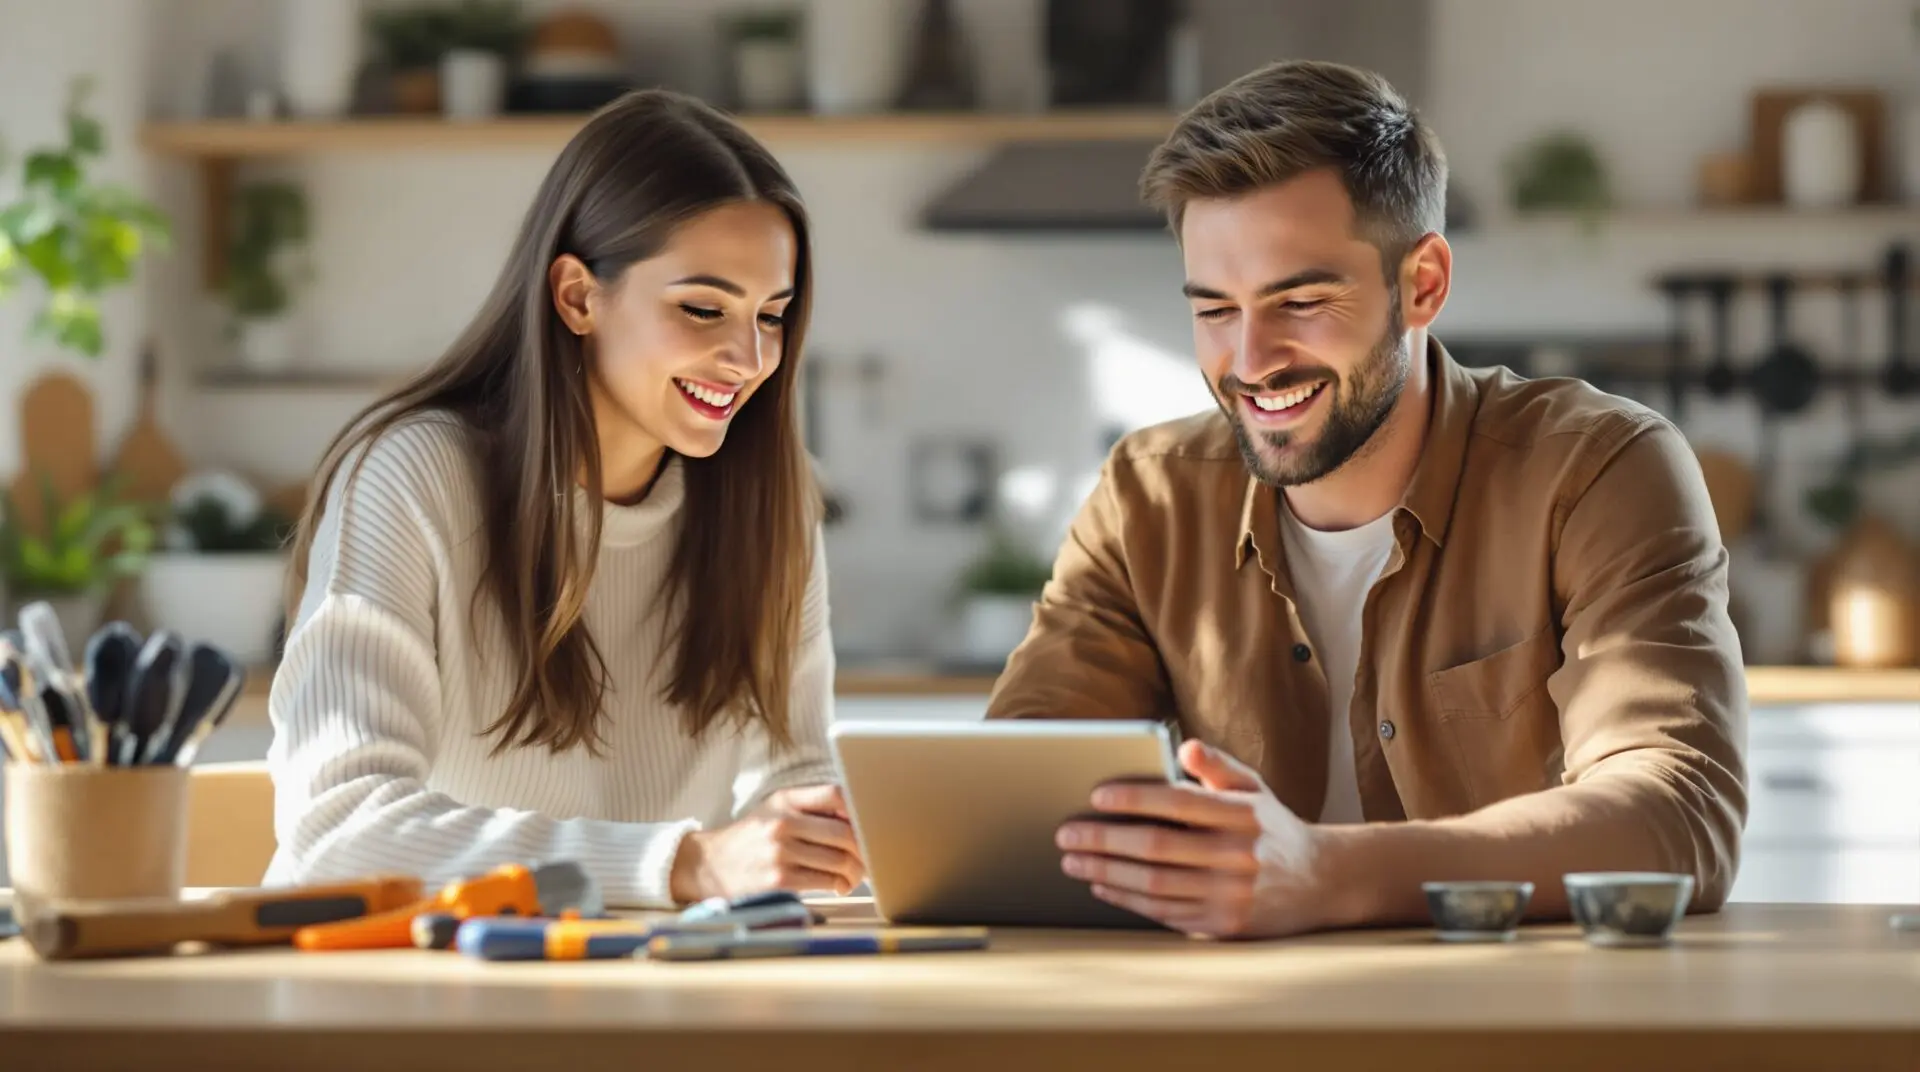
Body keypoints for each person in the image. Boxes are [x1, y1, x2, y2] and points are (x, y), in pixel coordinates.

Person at [985, 60, 1747, 939]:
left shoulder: (1597, 470)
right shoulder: (1146, 495)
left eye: (1300, 300)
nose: (1251, 360)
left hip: (1516, 1004)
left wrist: (1326, 872)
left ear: (1422, 284)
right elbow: (1014, 791)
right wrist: (899, 826)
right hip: (1231, 1004)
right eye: (1215, 310)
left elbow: (1676, 813)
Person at [263, 90, 864, 907]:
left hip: (642, 974)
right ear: (578, 296)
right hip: (406, 975)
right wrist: (683, 864)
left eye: (773, 315)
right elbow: (335, 833)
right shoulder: (413, 476)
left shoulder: (770, 501)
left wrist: (830, 837)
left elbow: (795, 778)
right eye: (703, 308)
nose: (750, 357)